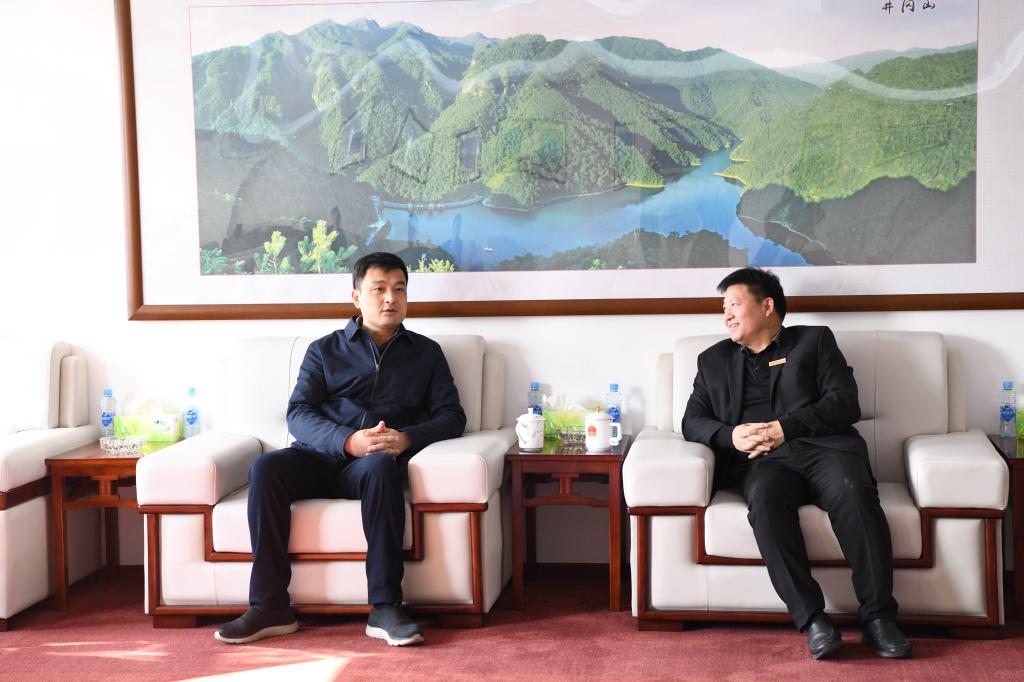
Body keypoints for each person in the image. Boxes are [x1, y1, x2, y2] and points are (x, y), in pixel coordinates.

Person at [215, 251, 467, 647]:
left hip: (370, 468)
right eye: (379, 289)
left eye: (399, 289)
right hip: (317, 457)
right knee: (266, 468)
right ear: (357, 297)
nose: (390, 298)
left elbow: (452, 417)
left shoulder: (426, 353)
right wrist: (346, 440)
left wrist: (405, 438)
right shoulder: (324, 350)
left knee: (381, 465)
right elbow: (298, 413)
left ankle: (385, 607)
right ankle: (270, 606)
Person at [681, 267, 912, 660]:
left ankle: (878, 620)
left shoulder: (815, 341)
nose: (727, 316)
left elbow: (844, 403)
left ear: (767, 306)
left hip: (826, 450)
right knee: (765, 503)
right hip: (763, 463)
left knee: (854, 493)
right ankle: (813, 620)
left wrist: (784, 428)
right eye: (724, 308)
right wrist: (731, 435)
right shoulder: (712, 360)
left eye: (734, 304)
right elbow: (692, 421)